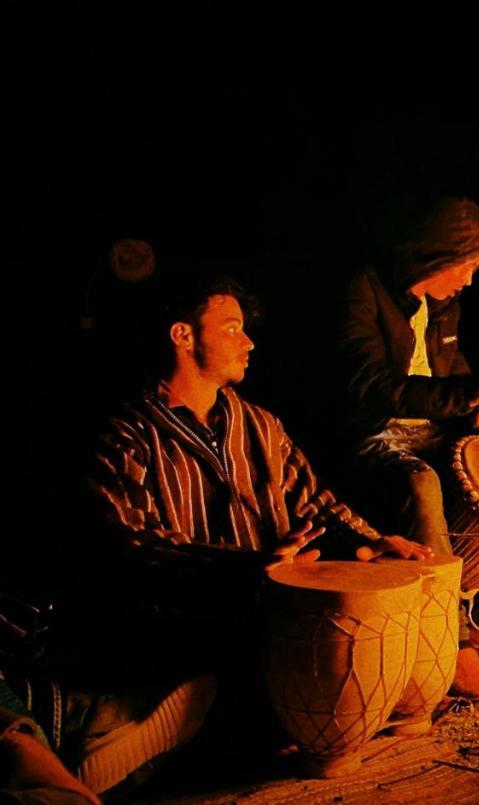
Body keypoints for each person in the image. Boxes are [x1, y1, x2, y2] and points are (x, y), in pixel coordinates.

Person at [86, 276, 427, 790]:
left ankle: (187, 727)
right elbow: (130, 546)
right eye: (231, 328)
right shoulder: (127, 436)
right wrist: (244, 568)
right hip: (185, 625)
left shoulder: (260, 425)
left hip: (269, 622)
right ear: (183, 335)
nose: (248, 342)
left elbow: (315, 499)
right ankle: (150, 739)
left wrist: (374, 539)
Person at [339, 197, 479, 697]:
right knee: (422, 481)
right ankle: (450, 640)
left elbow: (453, 366)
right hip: (375, 431)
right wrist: (465, 395)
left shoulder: (443, 304)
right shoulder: (365, 290)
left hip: (433, 423)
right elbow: (370, 384)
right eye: (466, 265)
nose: (469, 279)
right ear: (435, 255)